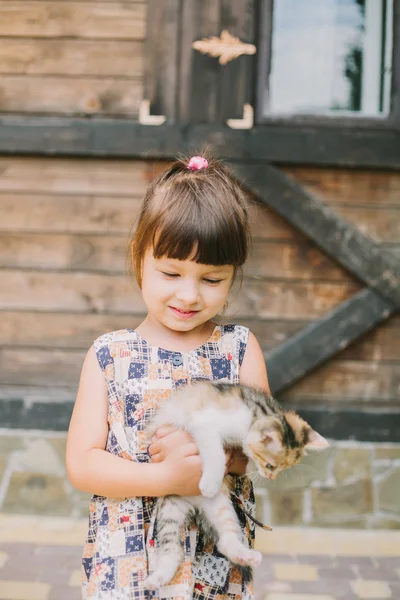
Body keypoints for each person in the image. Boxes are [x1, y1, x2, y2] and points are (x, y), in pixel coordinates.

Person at [66, 153, 271, 600]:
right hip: (126, 562)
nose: (189, 294)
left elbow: (263, 450)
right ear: (140, 258)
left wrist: (220, 456)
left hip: (212, 564)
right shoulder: (109, 355)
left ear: (232, 274)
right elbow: (83, 462)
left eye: (212, 279)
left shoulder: (238, 349)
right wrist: (166, 479)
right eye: (171, 272)